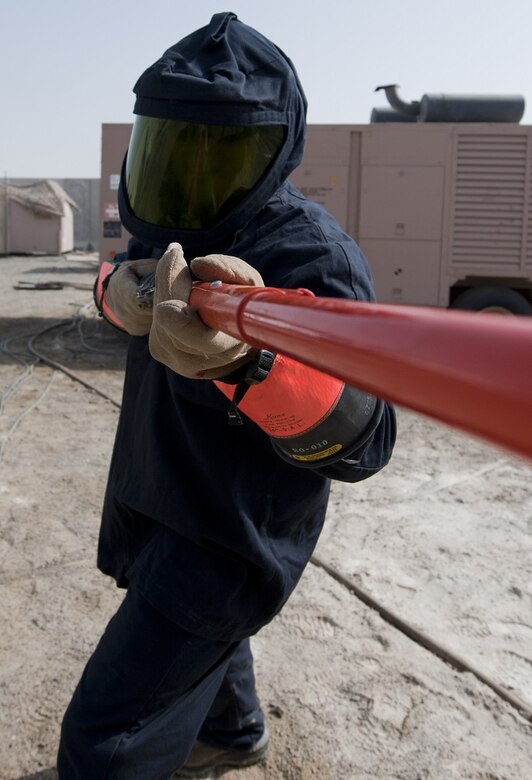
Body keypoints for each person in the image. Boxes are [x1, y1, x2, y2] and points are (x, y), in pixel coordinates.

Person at [58, 12, 396, 779]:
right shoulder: (165, 226)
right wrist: (125, 293)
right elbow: (114, 280)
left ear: (273, 152)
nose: (192, 172)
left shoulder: (308, 255)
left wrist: (252, 368)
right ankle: (235, 732)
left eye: (220, 152)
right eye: (175, 147)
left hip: (225, 537)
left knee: (106, 740)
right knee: (207, 647)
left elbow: (368, 442)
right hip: (160, 491)